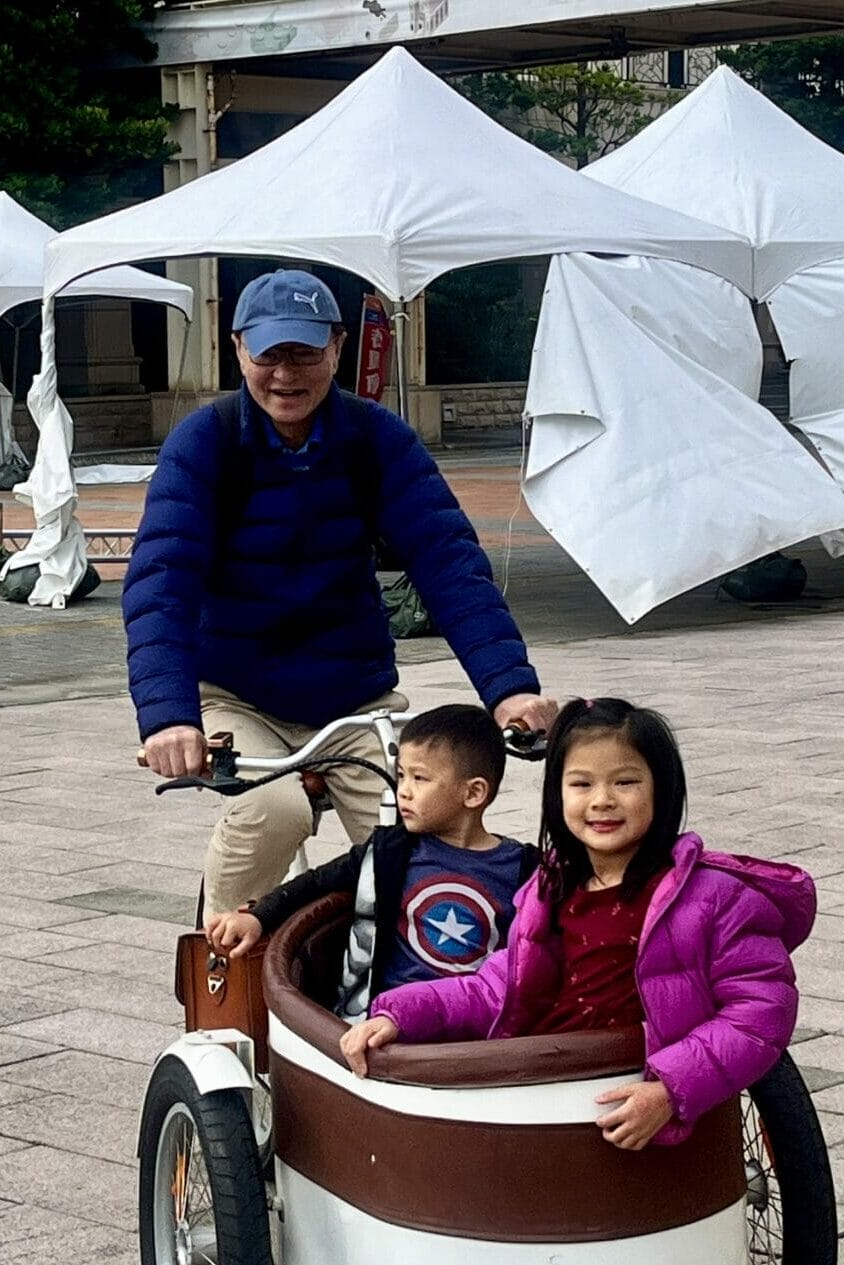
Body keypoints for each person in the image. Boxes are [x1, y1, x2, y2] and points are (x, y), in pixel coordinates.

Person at [123, 268, 556, 917]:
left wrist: (509, 687)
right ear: (238, 348)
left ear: (337, 346)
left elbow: (449, 563)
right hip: (237, 695)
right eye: (269, 353)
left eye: (305, 351)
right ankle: (219, 967)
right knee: (274, 809)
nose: (286, 373)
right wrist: (169, 717)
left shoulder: (374, 439)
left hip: (354, 699)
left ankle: (419, 982)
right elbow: (163, 583)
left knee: (419, 831)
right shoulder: (207, 444)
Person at [340, 697, 815, 1152]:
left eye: (625, 783)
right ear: (557, 794)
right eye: (581, 784)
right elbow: (494, 989)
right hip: (547, 1096)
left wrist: (672, 1088)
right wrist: (396, 1013)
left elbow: (760, 1012)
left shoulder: (713, 898)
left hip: (634, 1102)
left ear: (662, 790)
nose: (602, 801)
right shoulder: (549, 892)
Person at [205, 705, 540, 1019]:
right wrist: (259, 917)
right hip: (383, 1019)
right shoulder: (391, 851)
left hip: (475, 1021)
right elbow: (316, 883)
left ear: (473, 793)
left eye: (419, 779)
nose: (402, 791)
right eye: (401, 776)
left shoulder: (523, 867)